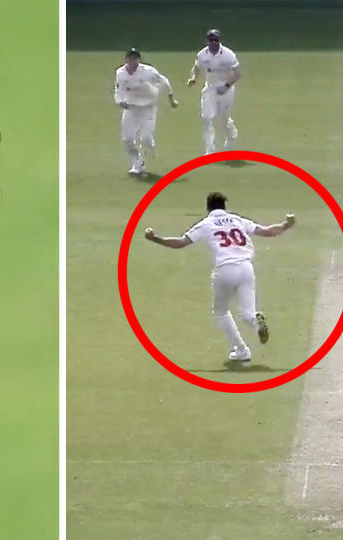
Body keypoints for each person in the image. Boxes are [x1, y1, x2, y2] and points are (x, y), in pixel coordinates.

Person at [144, 192, 295, 361]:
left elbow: (180, 243)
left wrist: (155, 238)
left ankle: (241, 350)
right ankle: (255, 321)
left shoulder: (206, 224)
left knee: (220, 312)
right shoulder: (237, 219)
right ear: (225, 206)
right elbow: (267, 231)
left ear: (208, 208)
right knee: (247, 313)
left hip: (225, 269)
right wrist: (285, 225)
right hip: (246, 268)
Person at [113, 47, 178, 176]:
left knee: (146, 138)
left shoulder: (147, 71)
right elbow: (118, 89)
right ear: (126, 60)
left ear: (139, 59)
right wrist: (120, 101)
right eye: (131, 59)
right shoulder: (120, 73)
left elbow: (164, 81)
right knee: (127, 139)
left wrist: (171, 98)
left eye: (136, 58)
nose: (133, 61)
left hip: (148, 107)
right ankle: (136, 162)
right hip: (131, 107)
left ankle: (141, 162)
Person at [186, 28, 240, 155]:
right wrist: (194, 78)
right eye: (211, 40)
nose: (213, 42)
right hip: (210, 88)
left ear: (219, 40)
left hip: (226, 88)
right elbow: (196, 67)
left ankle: (231, 137)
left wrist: (226, 86)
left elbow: (237, 73)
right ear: (207, 41)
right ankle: (210, 150)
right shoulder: (202, 54)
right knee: (206, 118)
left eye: (215, 40)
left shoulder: (228, 54)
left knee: (223, 119)